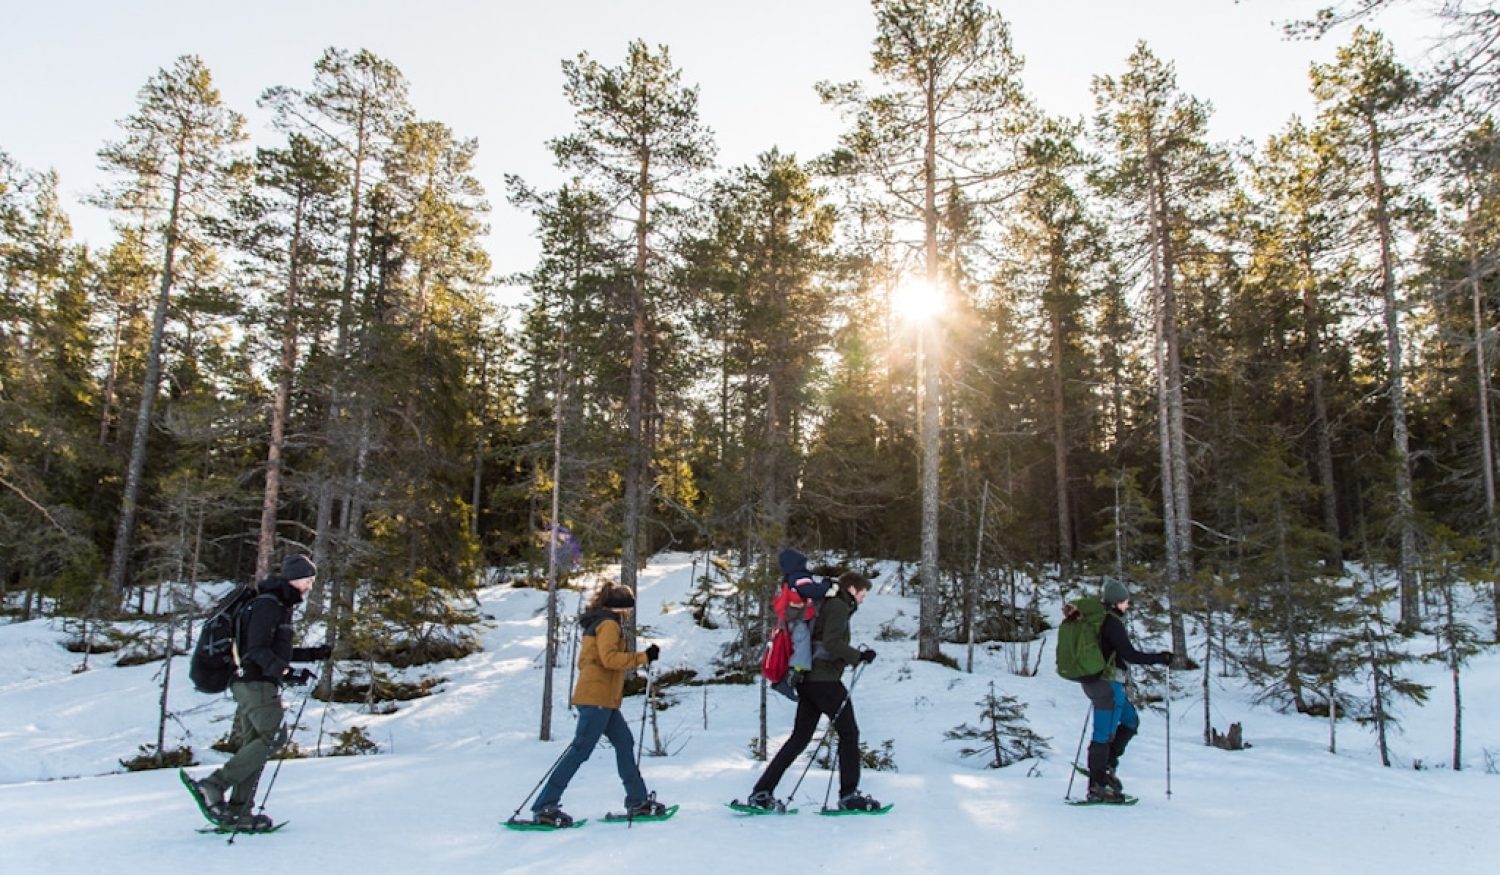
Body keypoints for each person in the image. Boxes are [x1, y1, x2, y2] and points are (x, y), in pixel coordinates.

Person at [184, 555, 330, 829]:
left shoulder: (276, 604)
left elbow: (273, 649)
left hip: (253, 682)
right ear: (295, 579)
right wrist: (286, 672)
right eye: (308, 581)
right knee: (274, 737)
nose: (309, 587)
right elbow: (256, 650)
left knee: (257, 746)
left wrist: (313, 654)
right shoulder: (269, 604)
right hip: (255, 683)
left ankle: (240, 810)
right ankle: (213, 785)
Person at [530, 581, 667, 827]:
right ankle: (544, 805)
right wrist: (643, 657)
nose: (629, 613)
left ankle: (637, 800)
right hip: (596, 699)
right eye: (628, 609)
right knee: (580, 751)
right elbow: (609, 658)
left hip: (603, 700)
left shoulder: (601, 621)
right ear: (621, 607)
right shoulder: (608, 625)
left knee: (624, 743)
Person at [744, 571, 881, 812]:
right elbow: (831, 643)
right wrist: (858, 656)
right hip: (825, 681)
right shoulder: (838, 606)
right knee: (849, 734)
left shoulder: (824, 604)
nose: (862, 599)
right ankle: (849, 795)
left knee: (799, 738)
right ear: (851, 590)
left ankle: (761, 792)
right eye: (862, 594)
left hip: (807, 679)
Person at [1081, 579, 1172, 803]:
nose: (1127, 606)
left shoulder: (1098, 621)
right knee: (1103, 734)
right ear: (1116, 602)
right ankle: (1098, 785)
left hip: (1097, 682)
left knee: (1130, 721)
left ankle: (1107, 767)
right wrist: (1159, 658)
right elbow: (1130, 655)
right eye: (1125, 602)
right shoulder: (1110, 623)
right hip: (1107, 685)